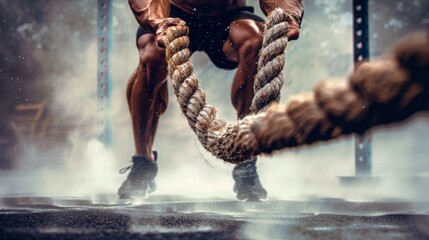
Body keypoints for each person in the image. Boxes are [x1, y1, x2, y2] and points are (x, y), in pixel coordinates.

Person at [118, 0, 304, 201]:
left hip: (228, 14)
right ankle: (142, 163)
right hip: (172, 13)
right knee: (152, 54)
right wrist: (157, 20)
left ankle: (246, 163)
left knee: (254, 40)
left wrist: (287, 14)